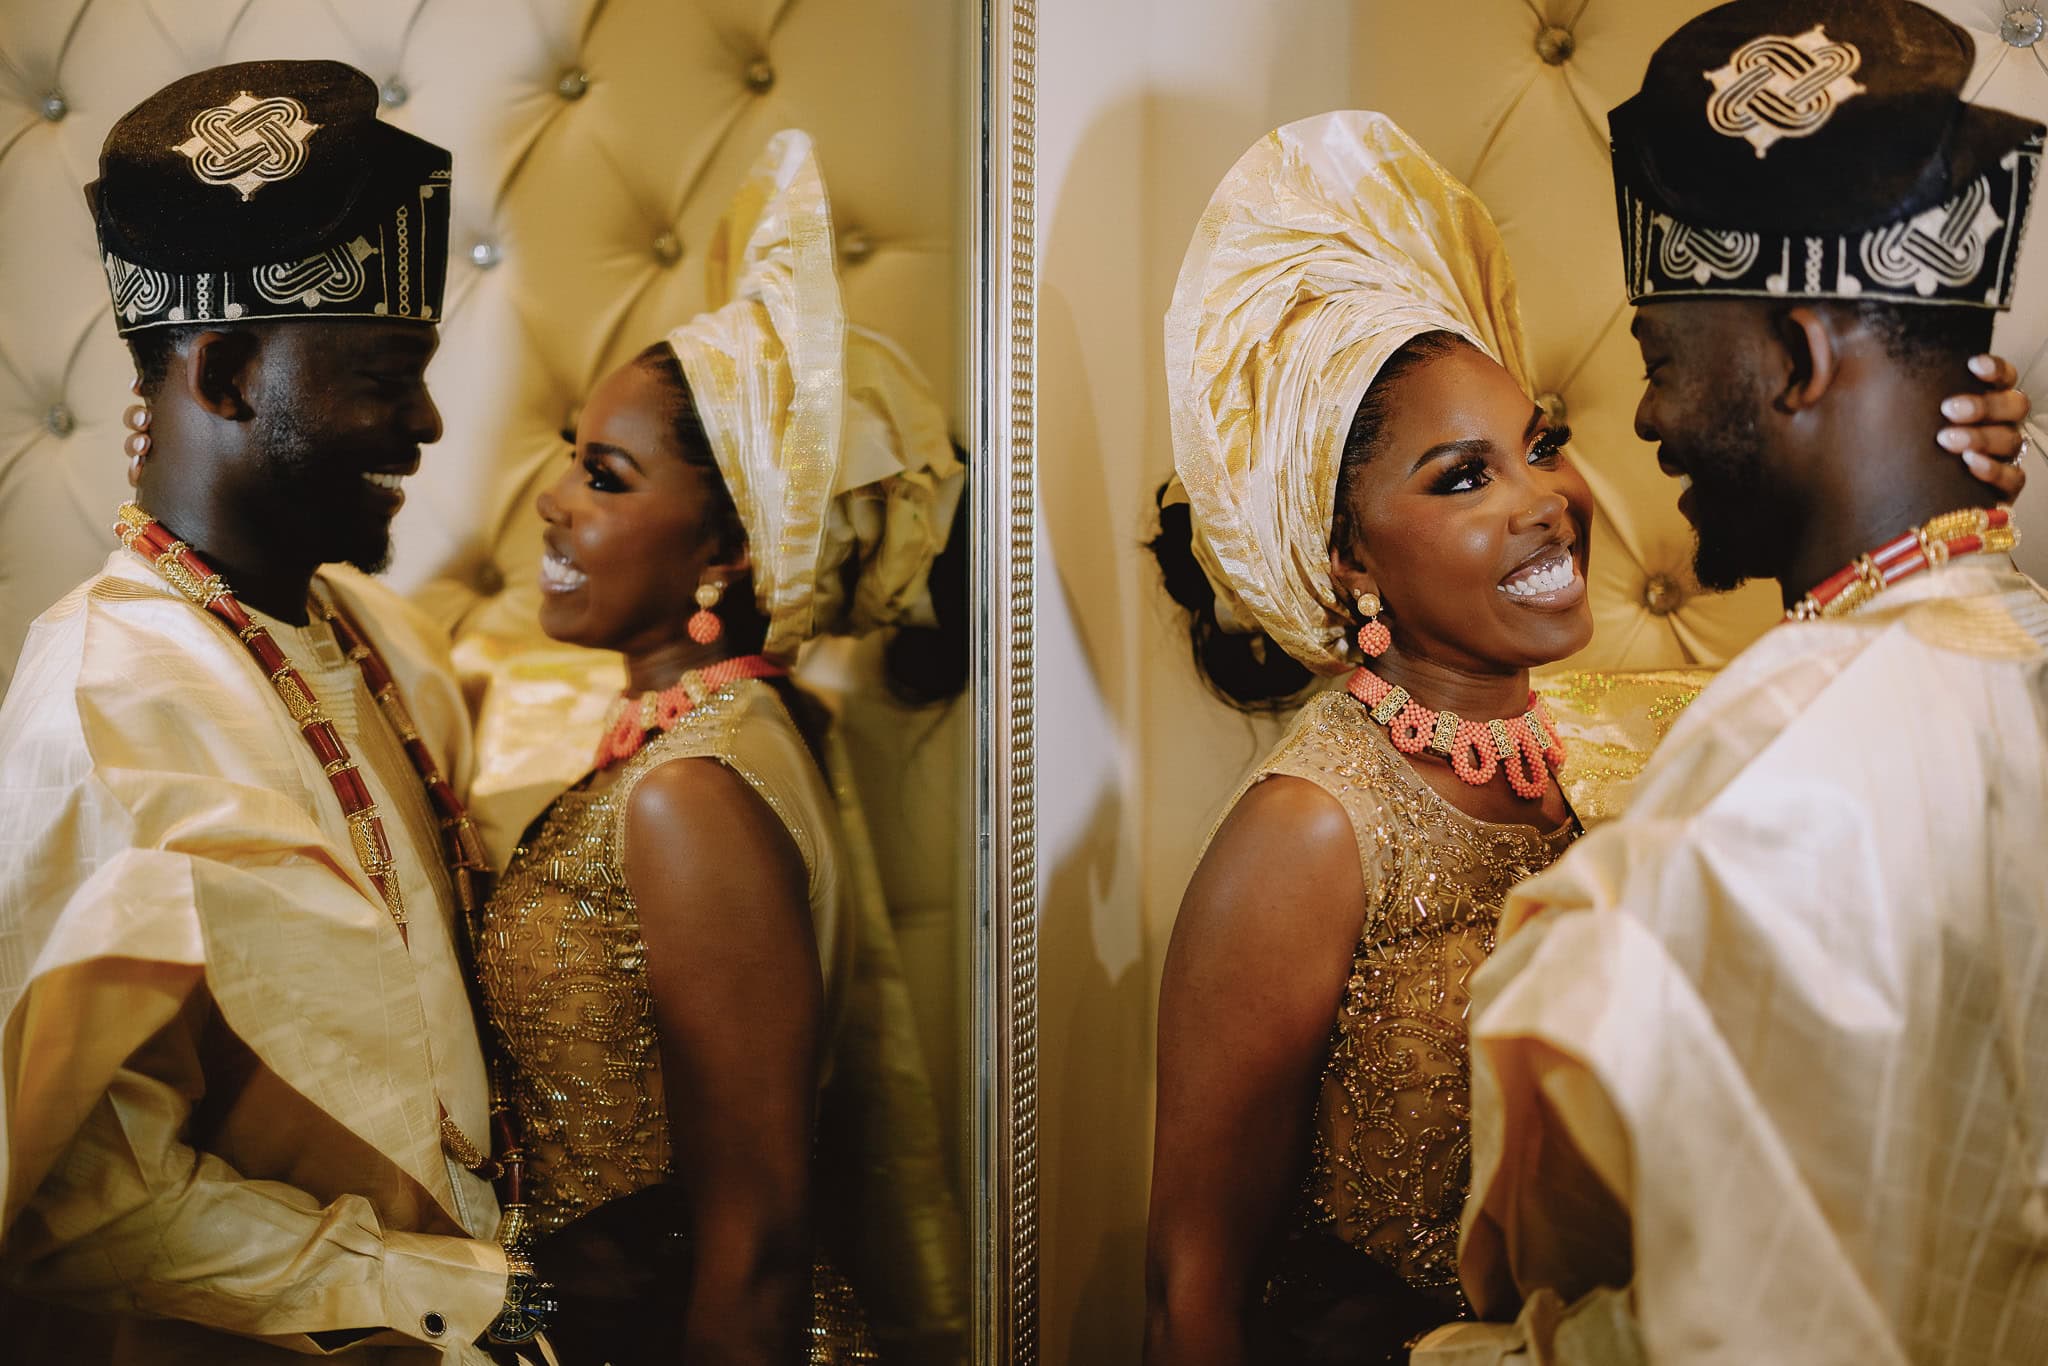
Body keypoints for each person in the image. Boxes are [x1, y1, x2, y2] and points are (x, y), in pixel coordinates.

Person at [1141, 111, 2034, 1366]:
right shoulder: (1305, 831)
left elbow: (1846, 694)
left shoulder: (1643, 731)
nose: (1541, 503)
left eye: (1540, 445)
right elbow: (1191, 1285)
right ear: (1345, 555)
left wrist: (1931, 475)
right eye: (1460, 478)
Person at [1417, 3, 2048, 1363]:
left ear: (1798, 359)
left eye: (1659, 356)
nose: (1642, 420)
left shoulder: (1783, 760)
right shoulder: (2021, 665)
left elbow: (1626, 1287)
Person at [0, 61, 550, 1363]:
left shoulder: (385, 642)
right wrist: (439, 1287)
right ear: (235, 373)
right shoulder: (104, 705)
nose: (422, 423)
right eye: (386, 372)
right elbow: (71, 1199)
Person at [472, 130, 968, 1365]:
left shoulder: (691, 788)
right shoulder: (720, 730)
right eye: (574, 461)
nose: (555, 499)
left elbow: (757, 1233)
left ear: (724, 548)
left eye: (606, 474)